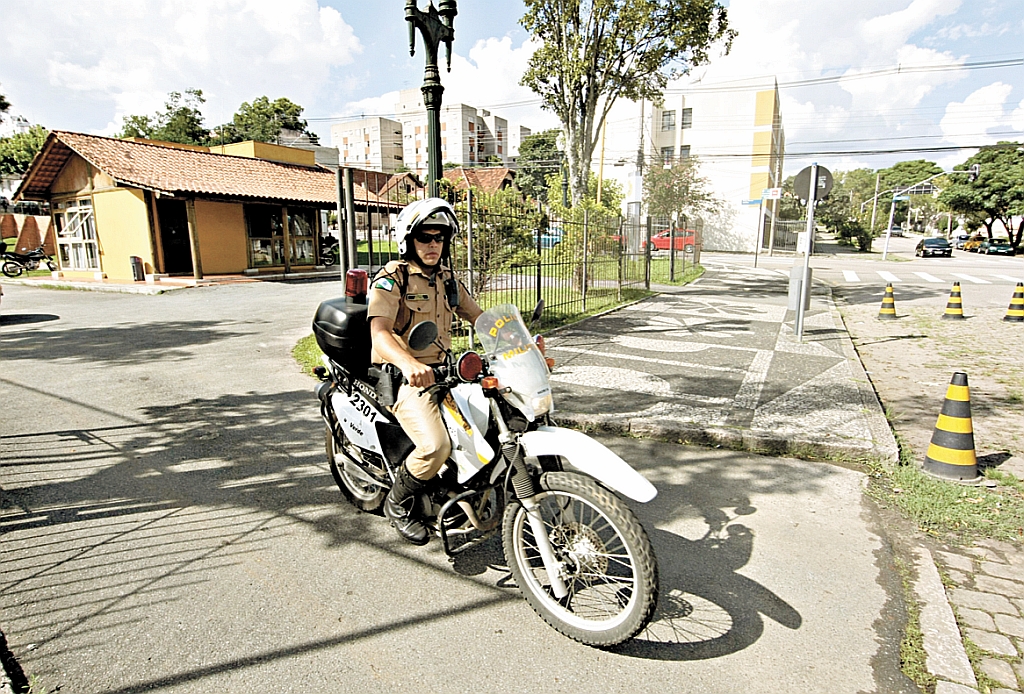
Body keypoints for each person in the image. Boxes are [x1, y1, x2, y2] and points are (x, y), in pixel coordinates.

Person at [367, 198, 482, 545]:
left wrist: (517, 341)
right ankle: (399, 503)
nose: (433, 245)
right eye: (424, 237)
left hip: (444, 373)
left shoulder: (447, 280)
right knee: (435, 445)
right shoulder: (393, 279)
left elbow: (480, 317)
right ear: (409, 241)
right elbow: (380, 333)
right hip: (405, 376)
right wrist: (409, 363)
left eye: (439, 238)